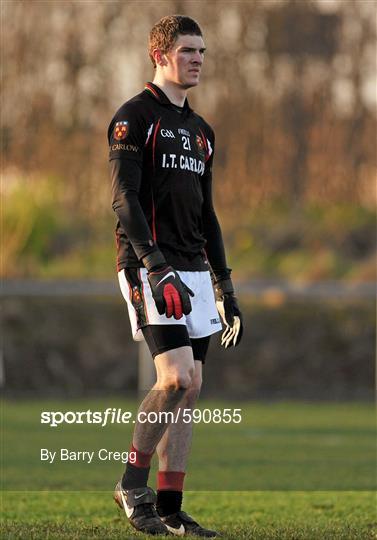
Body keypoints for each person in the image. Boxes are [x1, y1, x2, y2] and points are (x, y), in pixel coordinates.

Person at [108, 15, 243, 537]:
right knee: (175, 378)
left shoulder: (202, 132)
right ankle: (131, 484)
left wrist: (225, 286)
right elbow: (123, 201)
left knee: (192, 387)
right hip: (150, 265)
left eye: (203, 52)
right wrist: (154, 266)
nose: (198, 60)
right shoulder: (133, 118)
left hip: (193, 268)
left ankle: (169, 505)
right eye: (188, 51)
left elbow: (209, 217)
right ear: (160, 55)